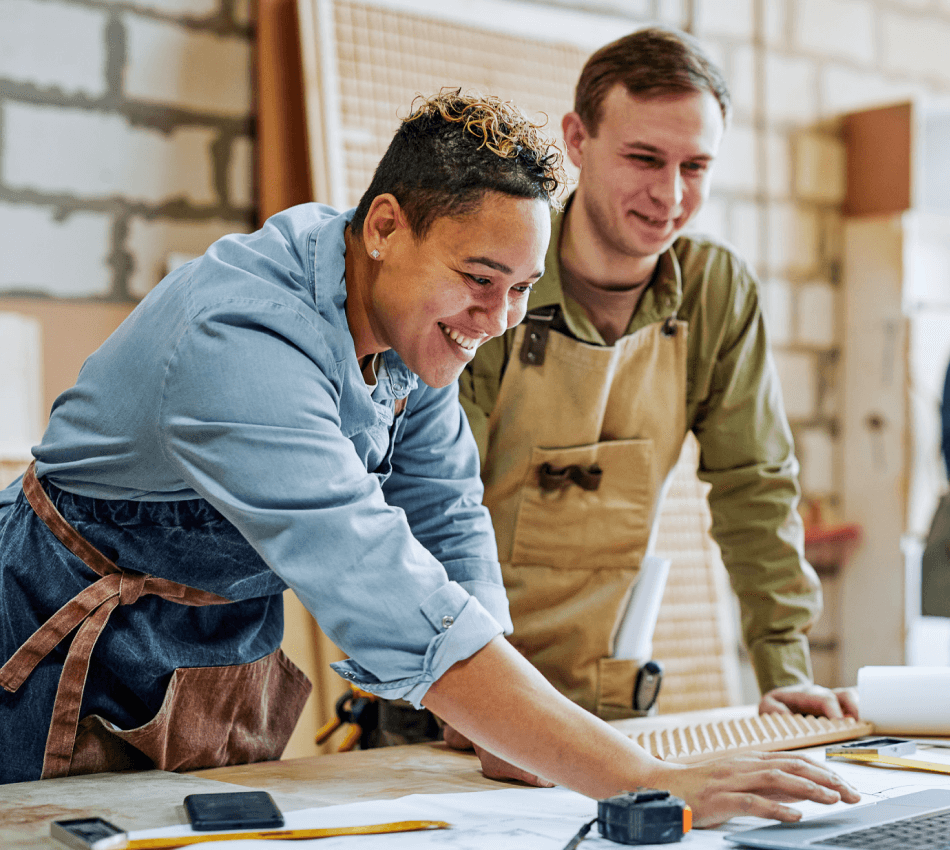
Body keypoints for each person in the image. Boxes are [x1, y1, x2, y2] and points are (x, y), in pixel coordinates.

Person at [0, 89, 858, 826]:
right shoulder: (242, 339)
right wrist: (648, 781)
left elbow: (446, 508)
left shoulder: (411, 325)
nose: (498, 319)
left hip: (207, 655)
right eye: (480, 278)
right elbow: (379, 580)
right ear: (384, 226)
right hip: (60, 649)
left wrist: (484, 722)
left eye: (522, 289)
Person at [439, 28, 859, 782]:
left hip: (609, 705)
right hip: (453, 699)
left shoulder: (714, 291)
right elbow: (435, 499)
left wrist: (784, 668)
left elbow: (753, 486)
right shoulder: (497, 275)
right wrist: (465, 692)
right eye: (644, 159)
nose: (670, 196)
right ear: (577, 138)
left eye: (695, 167)